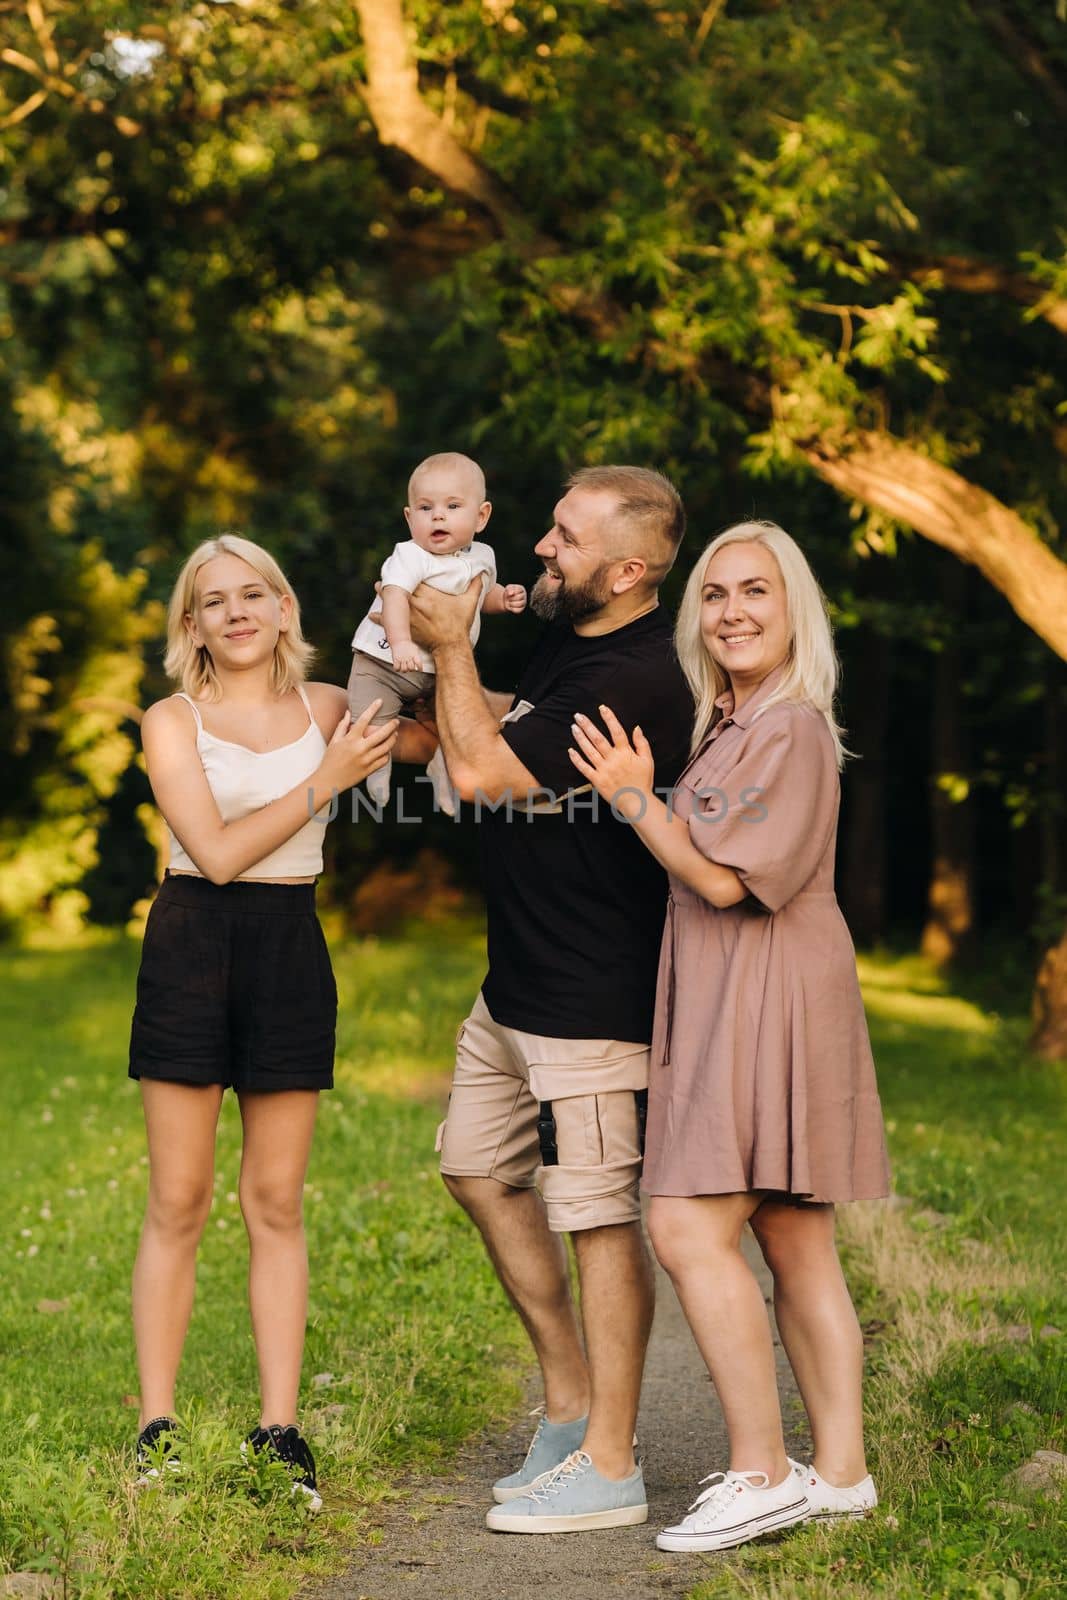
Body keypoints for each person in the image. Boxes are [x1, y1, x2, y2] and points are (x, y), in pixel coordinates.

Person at [568, 519, 890, 1552]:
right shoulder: (732, 722)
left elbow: (719, 879)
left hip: (767, 987)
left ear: (792, 608)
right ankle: (838, 1475)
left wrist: (632, 799)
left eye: (754, 590)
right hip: (747, 985)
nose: (732, 611)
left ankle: (761, 1469)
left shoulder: (789, 726)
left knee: (685, 1227)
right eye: (713, 594)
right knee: (793, 1237)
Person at [398, 465, 693, 1533]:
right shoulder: (573, 632)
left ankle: (610, 1464)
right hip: (514, 981)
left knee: (596, 1219)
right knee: (476, 1168)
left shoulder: (642, 674)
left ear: (627, 568)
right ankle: (571, 1404)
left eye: (563, 539)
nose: (537, 548)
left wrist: (447, 648)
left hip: (591, 998)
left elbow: (479, 775)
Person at [128, 533, 397, 1508]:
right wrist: (324, 782)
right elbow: (216, 850)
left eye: (255, 593)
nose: (236, 611)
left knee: (275, 1201)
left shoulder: (331, 708)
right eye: (213, 599)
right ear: (190, 624)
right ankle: (156, 1426)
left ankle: (279, 1429)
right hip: (192, 939)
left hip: (289, 947)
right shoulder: (171, 719)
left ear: (285, 607)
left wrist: (430, 594)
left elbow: (439, 723)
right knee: (180, 1199)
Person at [347, 451, 526, 812]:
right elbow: (394, 597)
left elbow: (478, 597)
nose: (438, 516)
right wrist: (399, 643)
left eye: (453, 506)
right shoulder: (409, 556)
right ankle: (377, 768)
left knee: (455, 728)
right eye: (426, 509)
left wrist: (502, 598)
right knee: (370, 717)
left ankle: (443, 774)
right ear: (410, 518)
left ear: (481, 516)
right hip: (383, 660)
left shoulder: (483, 557)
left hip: (439, 671)